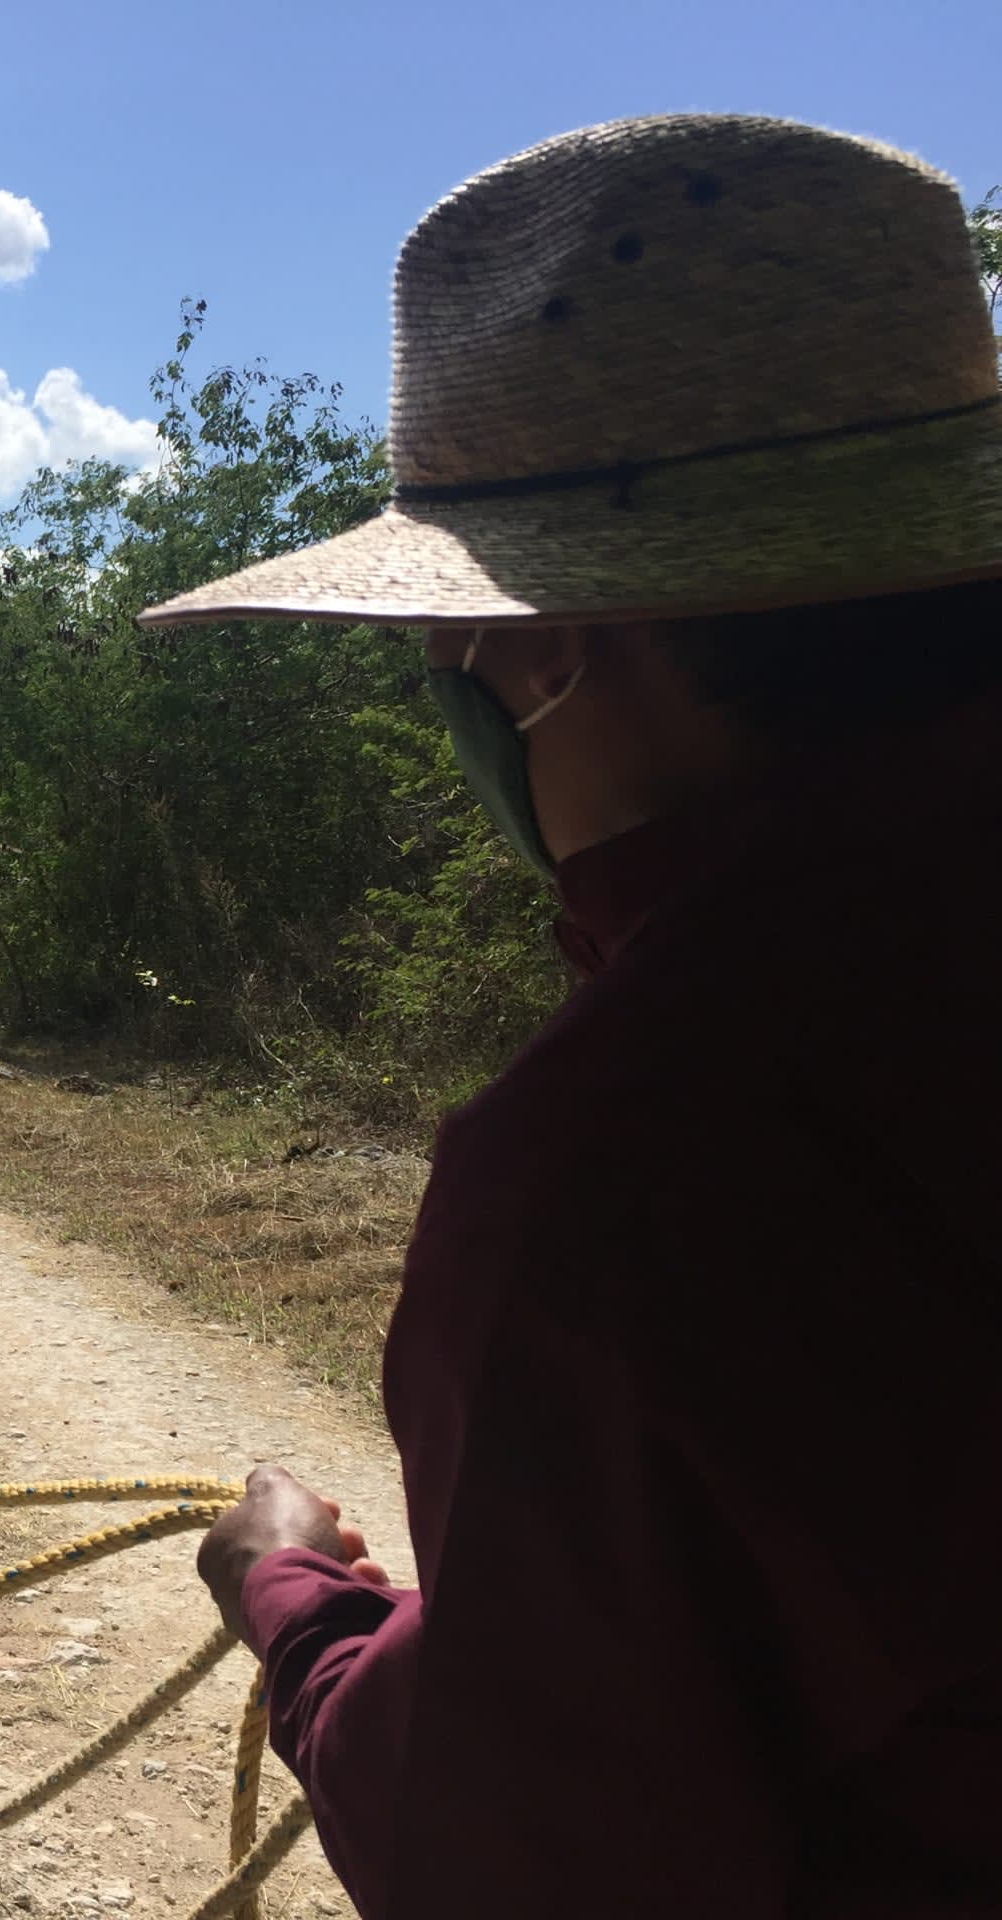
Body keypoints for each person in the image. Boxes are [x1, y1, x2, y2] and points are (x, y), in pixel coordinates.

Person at [136, 116, 1002, 1916]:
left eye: (448, 644)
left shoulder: (634, 1158)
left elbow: (520, 1836)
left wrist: (298, 1606)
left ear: (536, 648)